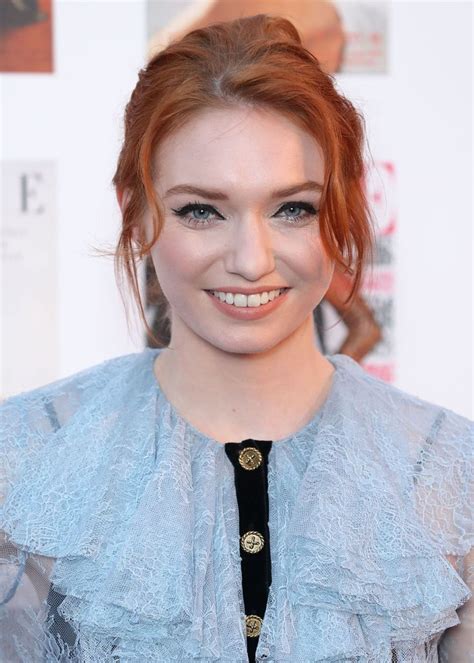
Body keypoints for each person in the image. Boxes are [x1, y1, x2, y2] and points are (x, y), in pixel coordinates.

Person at [0, 14, 472, 663]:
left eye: (293, 208)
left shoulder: (449, 470)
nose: (251, 259)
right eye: (202, 210)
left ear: (341, 209)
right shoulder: (24, 459)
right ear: (135, 212)